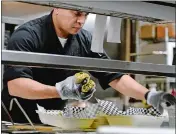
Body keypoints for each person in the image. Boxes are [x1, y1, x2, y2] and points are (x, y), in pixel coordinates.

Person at [2, 8, 175, 124]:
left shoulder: (85, 39)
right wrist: (60, 91)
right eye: (77, 13)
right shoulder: (26, 35)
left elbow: (114, 76)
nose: (81, 21)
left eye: (85, 14)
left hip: (54, 123)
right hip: (18, 121)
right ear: (58, 7)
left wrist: (148, 94)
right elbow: (16, 86)